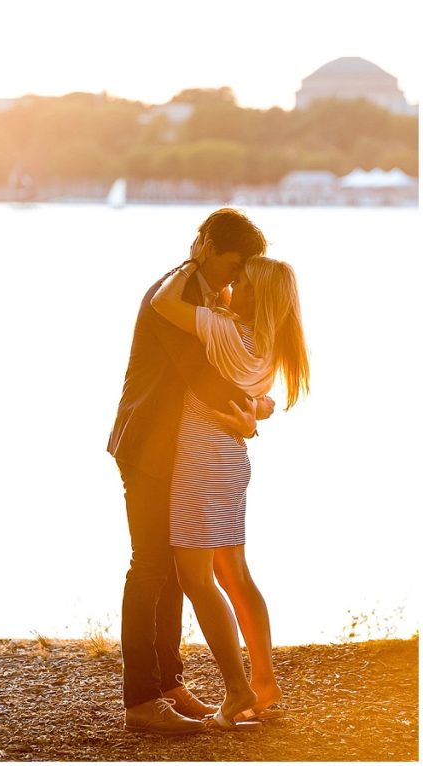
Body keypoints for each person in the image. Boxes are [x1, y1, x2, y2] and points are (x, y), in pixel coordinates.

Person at [107, 208, 269, 734]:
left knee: (175, 569)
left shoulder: (203, 294)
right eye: (232, 262)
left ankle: (169, 682)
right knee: (150, 566)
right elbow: (197, 372)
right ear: (205, 244)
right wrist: (244, 412)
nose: (235, 275)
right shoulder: (172, 295)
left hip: (179, 450)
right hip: (149, 445)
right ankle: (140, 700)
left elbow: (218, 365)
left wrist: (249, 404)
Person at [150, 249, 308, 728]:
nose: (232, 286)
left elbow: (162, 302)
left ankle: (238, 691)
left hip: (199, 464)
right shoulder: (268, 344)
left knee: (197, 580)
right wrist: (256, 411)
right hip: (231, 463)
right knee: (235, 575)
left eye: (241, 280)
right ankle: (265, 683)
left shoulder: (226, 330)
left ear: (255, 293)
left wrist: (192, 264)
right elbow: (259, 401)